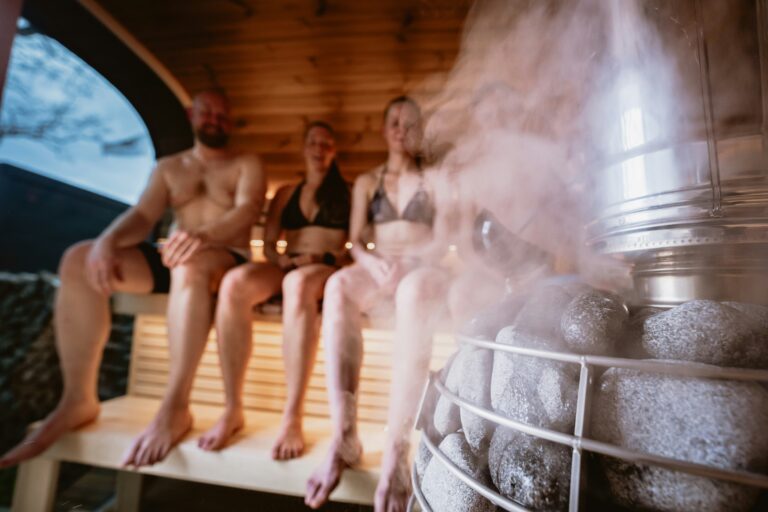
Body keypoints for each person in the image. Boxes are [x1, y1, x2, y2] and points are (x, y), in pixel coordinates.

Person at [0, 89, 266, 469]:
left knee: (190, 266)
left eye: (223, 115)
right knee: (78, 258)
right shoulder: (170, 167)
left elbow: (247, 209)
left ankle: (175, 406)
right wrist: (107, 241)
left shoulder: (246, 162)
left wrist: (204, 236)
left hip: (223, 257)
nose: (215, 121)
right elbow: (143, 215)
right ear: (192, 115)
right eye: (208, 112)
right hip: (174, 254)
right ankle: (78, 399)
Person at [305, 97, 450, 512]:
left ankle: (396, 447)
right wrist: (372, 260)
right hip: (378, 267)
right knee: (336, 286)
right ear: (385, 129)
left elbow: (444, 239)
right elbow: (355, 239)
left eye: (409, 122)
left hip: (423, 269)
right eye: (394, 121)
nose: (401, 129)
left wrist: (413, 262)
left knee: (414, 292)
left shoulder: (434, 180)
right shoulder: (368, 182)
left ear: (419, 130)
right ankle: (344, 434)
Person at [196, 121, 351, 459]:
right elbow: (267, 242)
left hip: (325, 267)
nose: (319, 148)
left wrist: (322, 256)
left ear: (334, 150)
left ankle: (292, 415)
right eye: (313, 141)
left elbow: (353, 248)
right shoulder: (285, 194)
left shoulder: (348, 192)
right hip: (287, 265)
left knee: (297, 285)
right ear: (304, 146)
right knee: (234, 283)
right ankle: (232, 407)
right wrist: (278, 259)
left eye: (327, 143)